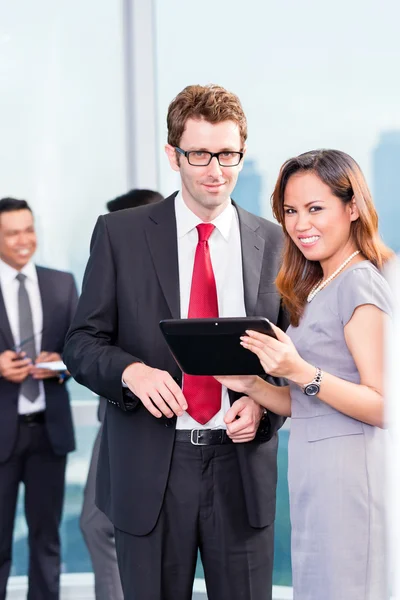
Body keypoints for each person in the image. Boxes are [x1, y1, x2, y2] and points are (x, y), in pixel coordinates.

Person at [63, 84, 287, 600]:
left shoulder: (274, 242)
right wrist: (130, 372)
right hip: (152, 474)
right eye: (201, 154)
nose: (216, 170)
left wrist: (263, 405)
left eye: (228, 154)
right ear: (173, 154)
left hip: (242, 467)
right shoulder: (120, 234)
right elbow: (81, 342)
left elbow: (289, 355)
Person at [216, 149, 394, 600]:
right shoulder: (317, 286)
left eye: (316, 208)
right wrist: (253, 384)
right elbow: (308, 404)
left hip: (350, 475)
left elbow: (382, 405)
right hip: (313, 473)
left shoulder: (359, 282)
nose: (299, 224)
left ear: (352, 208)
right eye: (291, 211)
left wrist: (300, 370)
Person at [79, 188, 163, 600]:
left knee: (105, 525)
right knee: (99, 525)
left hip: (149, 423)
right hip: (118, 414)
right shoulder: (123, 271)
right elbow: (86, 341)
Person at [0, 197, 78, 600]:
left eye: (28, 229)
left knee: (47, 539)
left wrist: (63, 361)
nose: (23, 240)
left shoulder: (61, 283)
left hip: (49, 431)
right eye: (12, 233)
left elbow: (85, 348)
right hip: (2, 434)